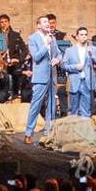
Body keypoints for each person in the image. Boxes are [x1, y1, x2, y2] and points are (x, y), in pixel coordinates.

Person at [25, 14, 61, 143]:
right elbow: (36, 57)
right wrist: (45, 44)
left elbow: (59, 53)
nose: (47, 24)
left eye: (48, 22)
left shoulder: (52, 37)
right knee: (36, 104)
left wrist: (58, 59)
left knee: (51, 105)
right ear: (38, 25)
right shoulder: (33, 38)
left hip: (52, 74)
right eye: (44, 22)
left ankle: (48, 131)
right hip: (40, 76)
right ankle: (28, 133)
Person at [63, 26, 94, 117]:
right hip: (74, 81)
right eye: (81, 34)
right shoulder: (69, 51)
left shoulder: (90, 50)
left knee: (86, 110)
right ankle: (72, 129)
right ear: (76, 37)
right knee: (73, 109)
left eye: (85, 34)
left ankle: (85, 129)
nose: (84, 36)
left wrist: (93, 56)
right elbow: (64, 65)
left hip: (86, 82)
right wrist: (75, 67)